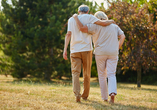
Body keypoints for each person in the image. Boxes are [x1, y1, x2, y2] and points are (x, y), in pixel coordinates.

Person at [63, 5, 115, 102]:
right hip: (86, 50)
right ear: (87, 11)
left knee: (75, 73)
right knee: (86, 73)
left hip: (74, 50)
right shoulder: (90, 17)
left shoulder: (71, 19)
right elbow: (102, 23)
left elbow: (68, 34)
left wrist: (65, 49)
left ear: (78, 11)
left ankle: (77, 94)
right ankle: (85, 95)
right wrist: (111, 21)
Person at [72, 11, 125, 103]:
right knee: (111, 74)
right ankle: (112, 94)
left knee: (101, 75)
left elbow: (81, 28)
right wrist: (117, 47)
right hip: (113, 52)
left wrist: (76, 18)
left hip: (100, 53)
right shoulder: (114, 26)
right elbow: (123, 36)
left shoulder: (94, 26)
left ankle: (104, 97)